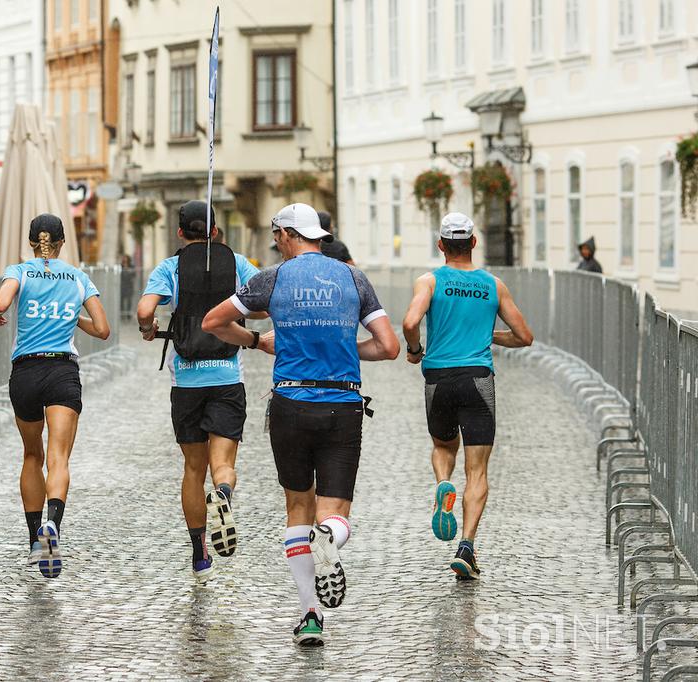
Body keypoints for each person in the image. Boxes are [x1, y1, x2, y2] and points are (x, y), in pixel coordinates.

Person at [202, 202, 399, 647]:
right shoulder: (353, 278)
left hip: (290, 400)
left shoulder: (272, 278)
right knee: (334, 512)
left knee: (297, 507)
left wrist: (255, 340)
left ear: (289, 235)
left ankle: (310, 614)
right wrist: (348, 346)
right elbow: (389, 347)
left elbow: (213, 321)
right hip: (343, 403)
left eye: (277, 236)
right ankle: (328, 537)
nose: (276, 243)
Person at [401, 212, 533, 581]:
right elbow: (524, 336)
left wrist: (415, 350)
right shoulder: (494, 285)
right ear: (474, 243)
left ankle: (443, 483)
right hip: (478, 378)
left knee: (444, 447)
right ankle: (466, 547)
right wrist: (489, 336)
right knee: (478, 470)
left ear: (440, 244)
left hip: (438, 377)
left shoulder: (428, 281)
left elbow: (410, 322)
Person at [136, 200, 261, 583]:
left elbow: (144, 310)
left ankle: (200, 553)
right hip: (226, 377)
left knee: (193, 467)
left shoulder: (170, 268)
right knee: (223, 464)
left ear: (179, 233)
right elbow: (262, 304)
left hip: (186, 381)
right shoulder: (237, 263)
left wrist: (149, 328)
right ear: (215, 231)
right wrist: (235, 313)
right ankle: (223, 492)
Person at [0, 213, 110, 579]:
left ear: (30, 242)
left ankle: (32, 541)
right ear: (61, 243)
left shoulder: (19, 270)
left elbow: (0, 302)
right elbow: (102, 329)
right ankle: (53, 523)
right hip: (61, 371)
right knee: (58, 458)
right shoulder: (77, 277)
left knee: (31, 454)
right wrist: (73, 318)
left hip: (25, 371)